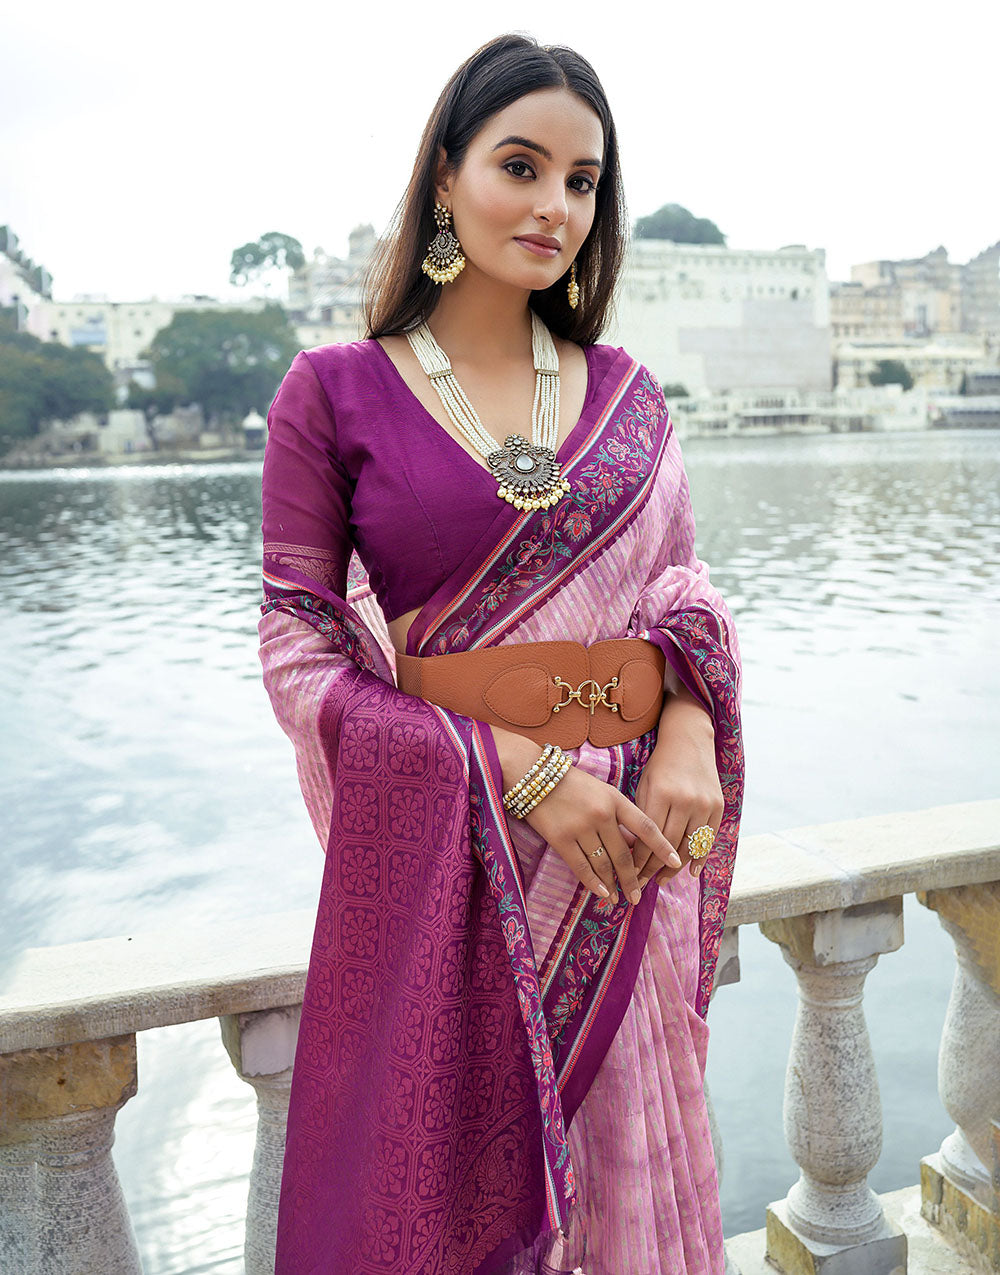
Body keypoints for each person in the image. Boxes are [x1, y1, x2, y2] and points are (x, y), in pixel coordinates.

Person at [258, 32, 743, 1275]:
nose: (554, 207)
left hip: (616, 862)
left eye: (582, 182)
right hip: (466, 870)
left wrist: (687, 731)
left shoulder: (627, 393)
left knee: (622, 1210)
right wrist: (520, 772)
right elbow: (300, 653)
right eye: (520, 166)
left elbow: (684, 595)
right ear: (443, 178)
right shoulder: (334, 394)